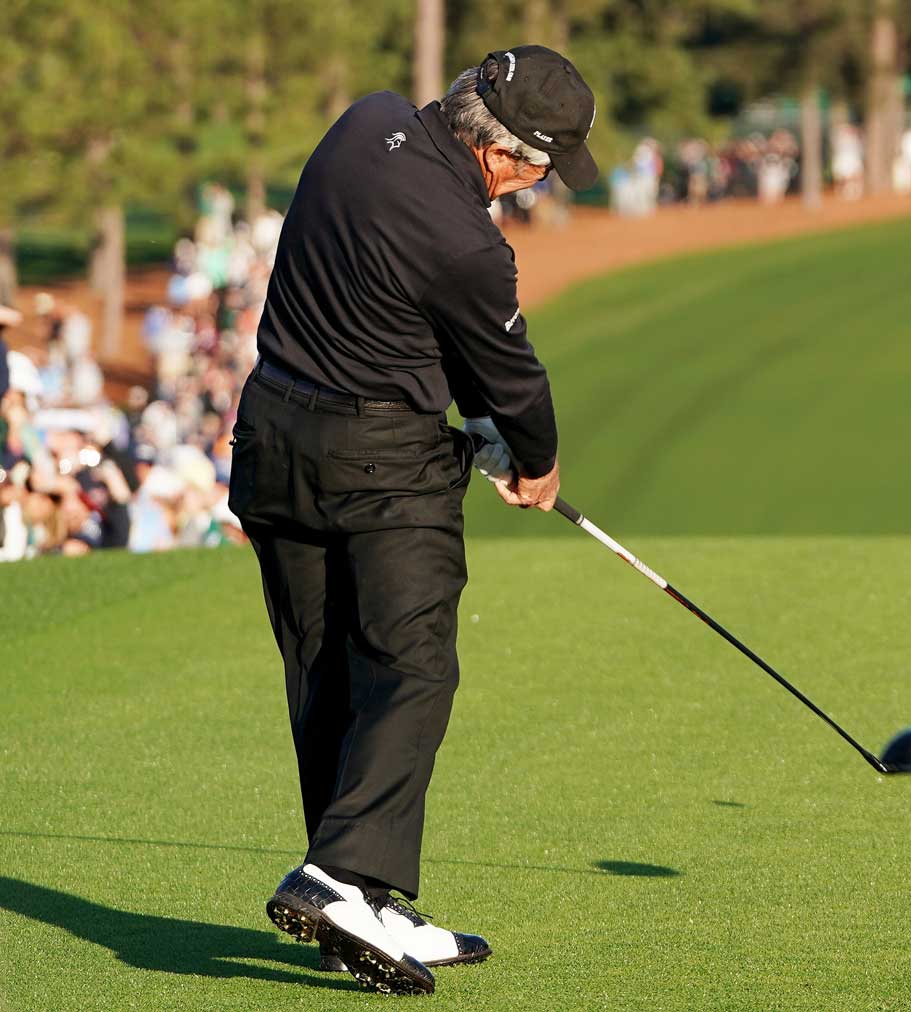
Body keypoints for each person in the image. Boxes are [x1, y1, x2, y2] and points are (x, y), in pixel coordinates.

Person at [233, 45, 596, 995]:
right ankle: (341, 875)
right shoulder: (470, 245)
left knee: (326, 669)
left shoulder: (365, 120)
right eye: (541, 168)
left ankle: (359, 898)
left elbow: (396, 305)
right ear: (503, 153)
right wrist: (536, 462)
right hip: (381, 465)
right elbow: (512, 380)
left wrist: (480, 421)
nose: (537, 185)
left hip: (271, 440)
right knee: (411, 666)